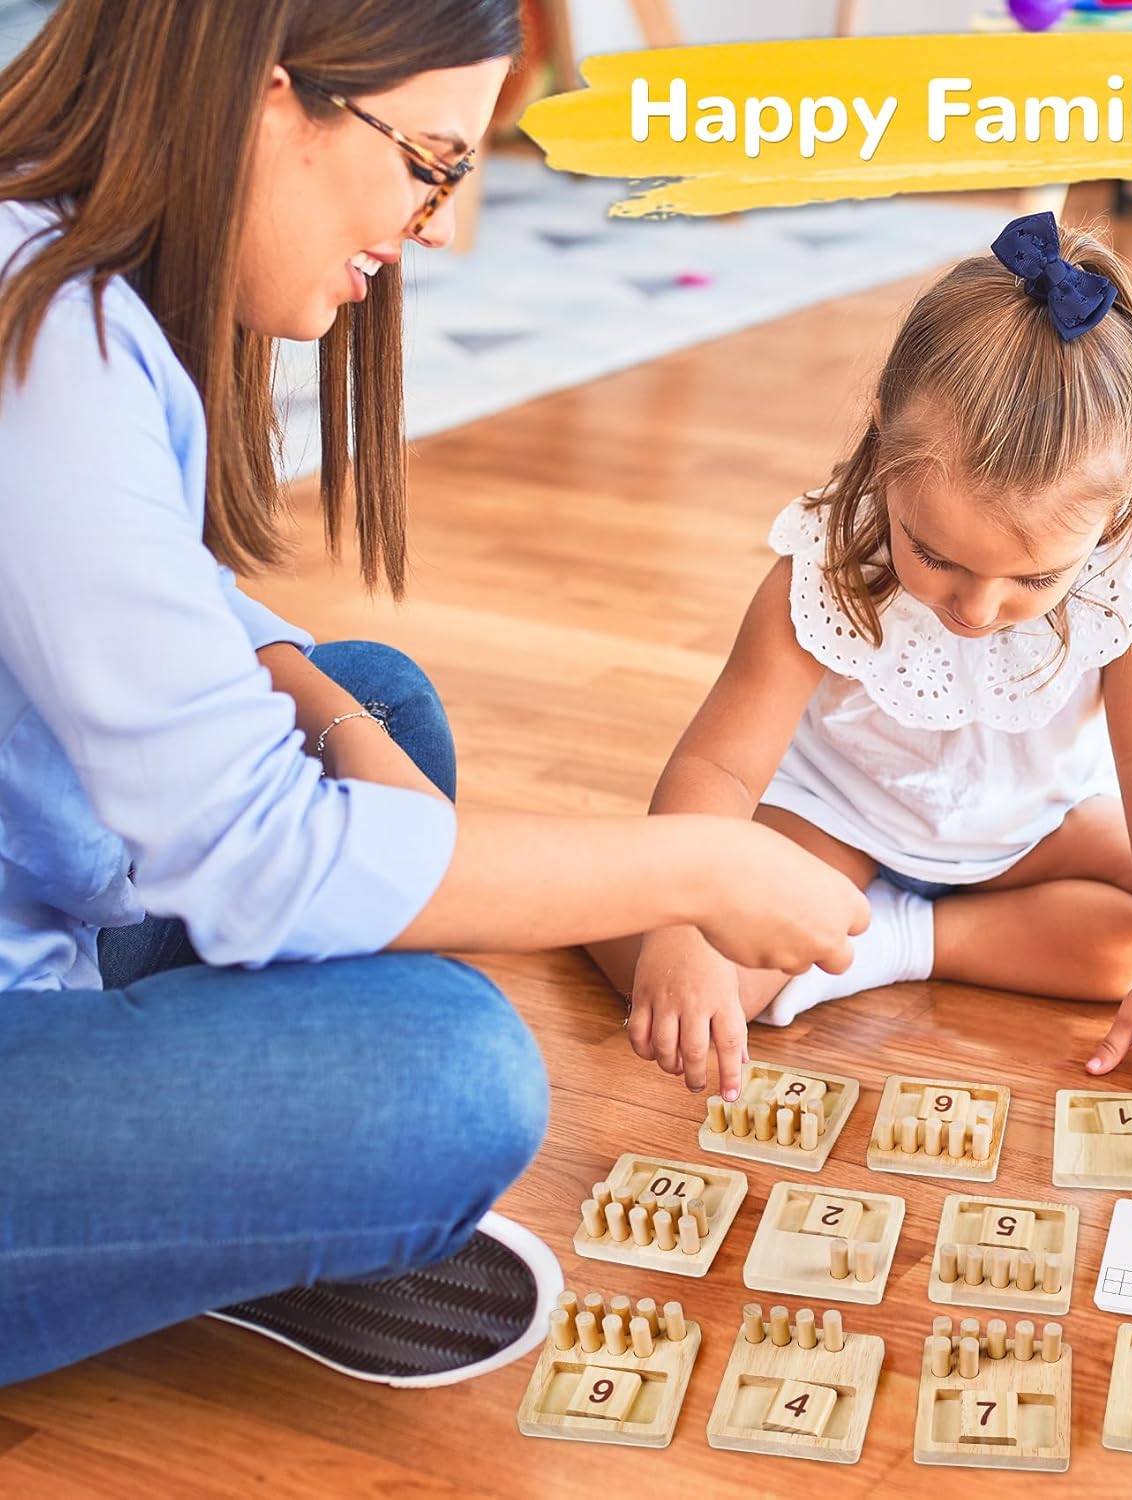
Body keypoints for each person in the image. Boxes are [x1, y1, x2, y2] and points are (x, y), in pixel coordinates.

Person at [0, 0, 868, 1389]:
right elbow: (257, 858)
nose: (438, 229)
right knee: (451, 1075)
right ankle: (191, 1222)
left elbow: (122, 579)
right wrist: (697, 862)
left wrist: (314, 703)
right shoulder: (46, 341)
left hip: (51, 911)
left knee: (376, 701)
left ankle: (191, 1213)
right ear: (271, 95)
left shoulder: (59, 281)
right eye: (430, 161)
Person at [593, 212, 1132, 1112]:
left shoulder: (1127, 564)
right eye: (939, 558)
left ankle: (896, 944)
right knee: (683, 974)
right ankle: (620, 879)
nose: (978, 609)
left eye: (1033, 577)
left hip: (1035, 833)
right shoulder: (826, 563)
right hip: (839, 824)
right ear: (882, 442)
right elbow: (718, 767)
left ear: (1109, 519)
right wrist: (680, 933)